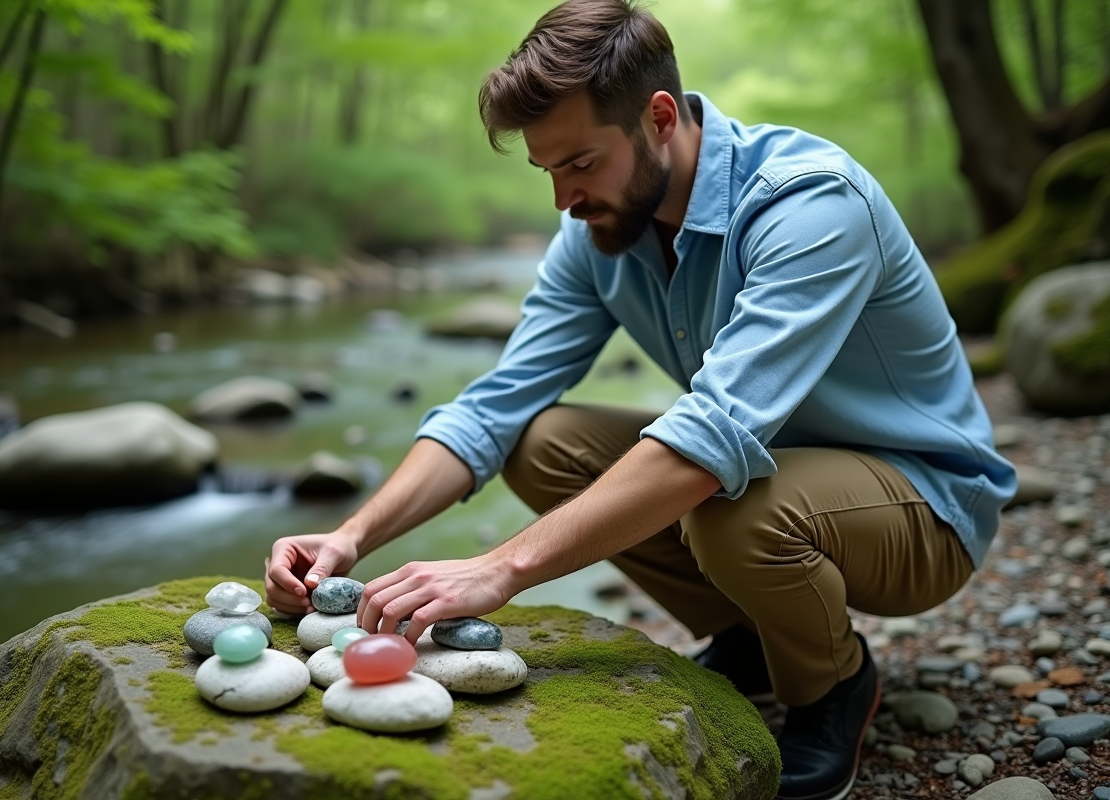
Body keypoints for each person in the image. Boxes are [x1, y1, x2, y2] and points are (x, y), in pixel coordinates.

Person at [264, 1, 1016, 797]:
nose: (563, 199)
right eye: (547, 170)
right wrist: (353, 536)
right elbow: (496, 405)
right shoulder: (596, 234)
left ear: (659, 118)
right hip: (780, 472)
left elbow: (714, 435)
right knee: (540, 439)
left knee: (731, 505)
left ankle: (832, 687)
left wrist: (500, 568)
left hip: (926, 507)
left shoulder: (810, 205)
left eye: (580, 164)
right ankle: (755, 637)